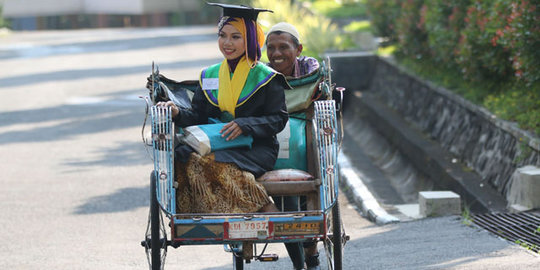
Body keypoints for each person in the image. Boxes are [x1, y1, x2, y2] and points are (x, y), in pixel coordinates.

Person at [156, 3, 289, 214]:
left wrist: (245, 125)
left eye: (236, 37)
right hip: (217, 142)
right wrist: (177, 112)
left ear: (251, 40)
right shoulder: (209, 75)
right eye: (222, 35)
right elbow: (198, 116)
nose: (227, 43)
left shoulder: (267, 78)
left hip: (256, 147)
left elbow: (278, 119)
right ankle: (239, 211)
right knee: (182, 158)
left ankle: (264, 206)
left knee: (207, 163)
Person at [266, 22, 323, 270]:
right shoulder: (263, 73)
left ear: (298, 49)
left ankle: (311, 254)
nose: (277, 54)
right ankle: (302, 265)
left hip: (305, 137)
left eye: (283, 47)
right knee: (285, 204)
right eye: (271, 48)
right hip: (275, 142)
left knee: (306, 202)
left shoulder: (310, 67)